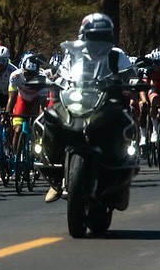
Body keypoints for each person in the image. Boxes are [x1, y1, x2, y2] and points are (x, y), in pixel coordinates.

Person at [44, 12, 134, 203]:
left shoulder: (117, 56)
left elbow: (130, 74)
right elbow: (63, 74)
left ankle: (122, 183)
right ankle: (55, 177)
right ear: (83, 36)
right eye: (93, 36)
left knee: (125, 125)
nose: (97, 41)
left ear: (109, 36)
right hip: (77, 100)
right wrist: (53, 79)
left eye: (102, 36)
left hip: (109, 103)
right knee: (51, 117)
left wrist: (131, 81)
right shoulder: (73, 56)